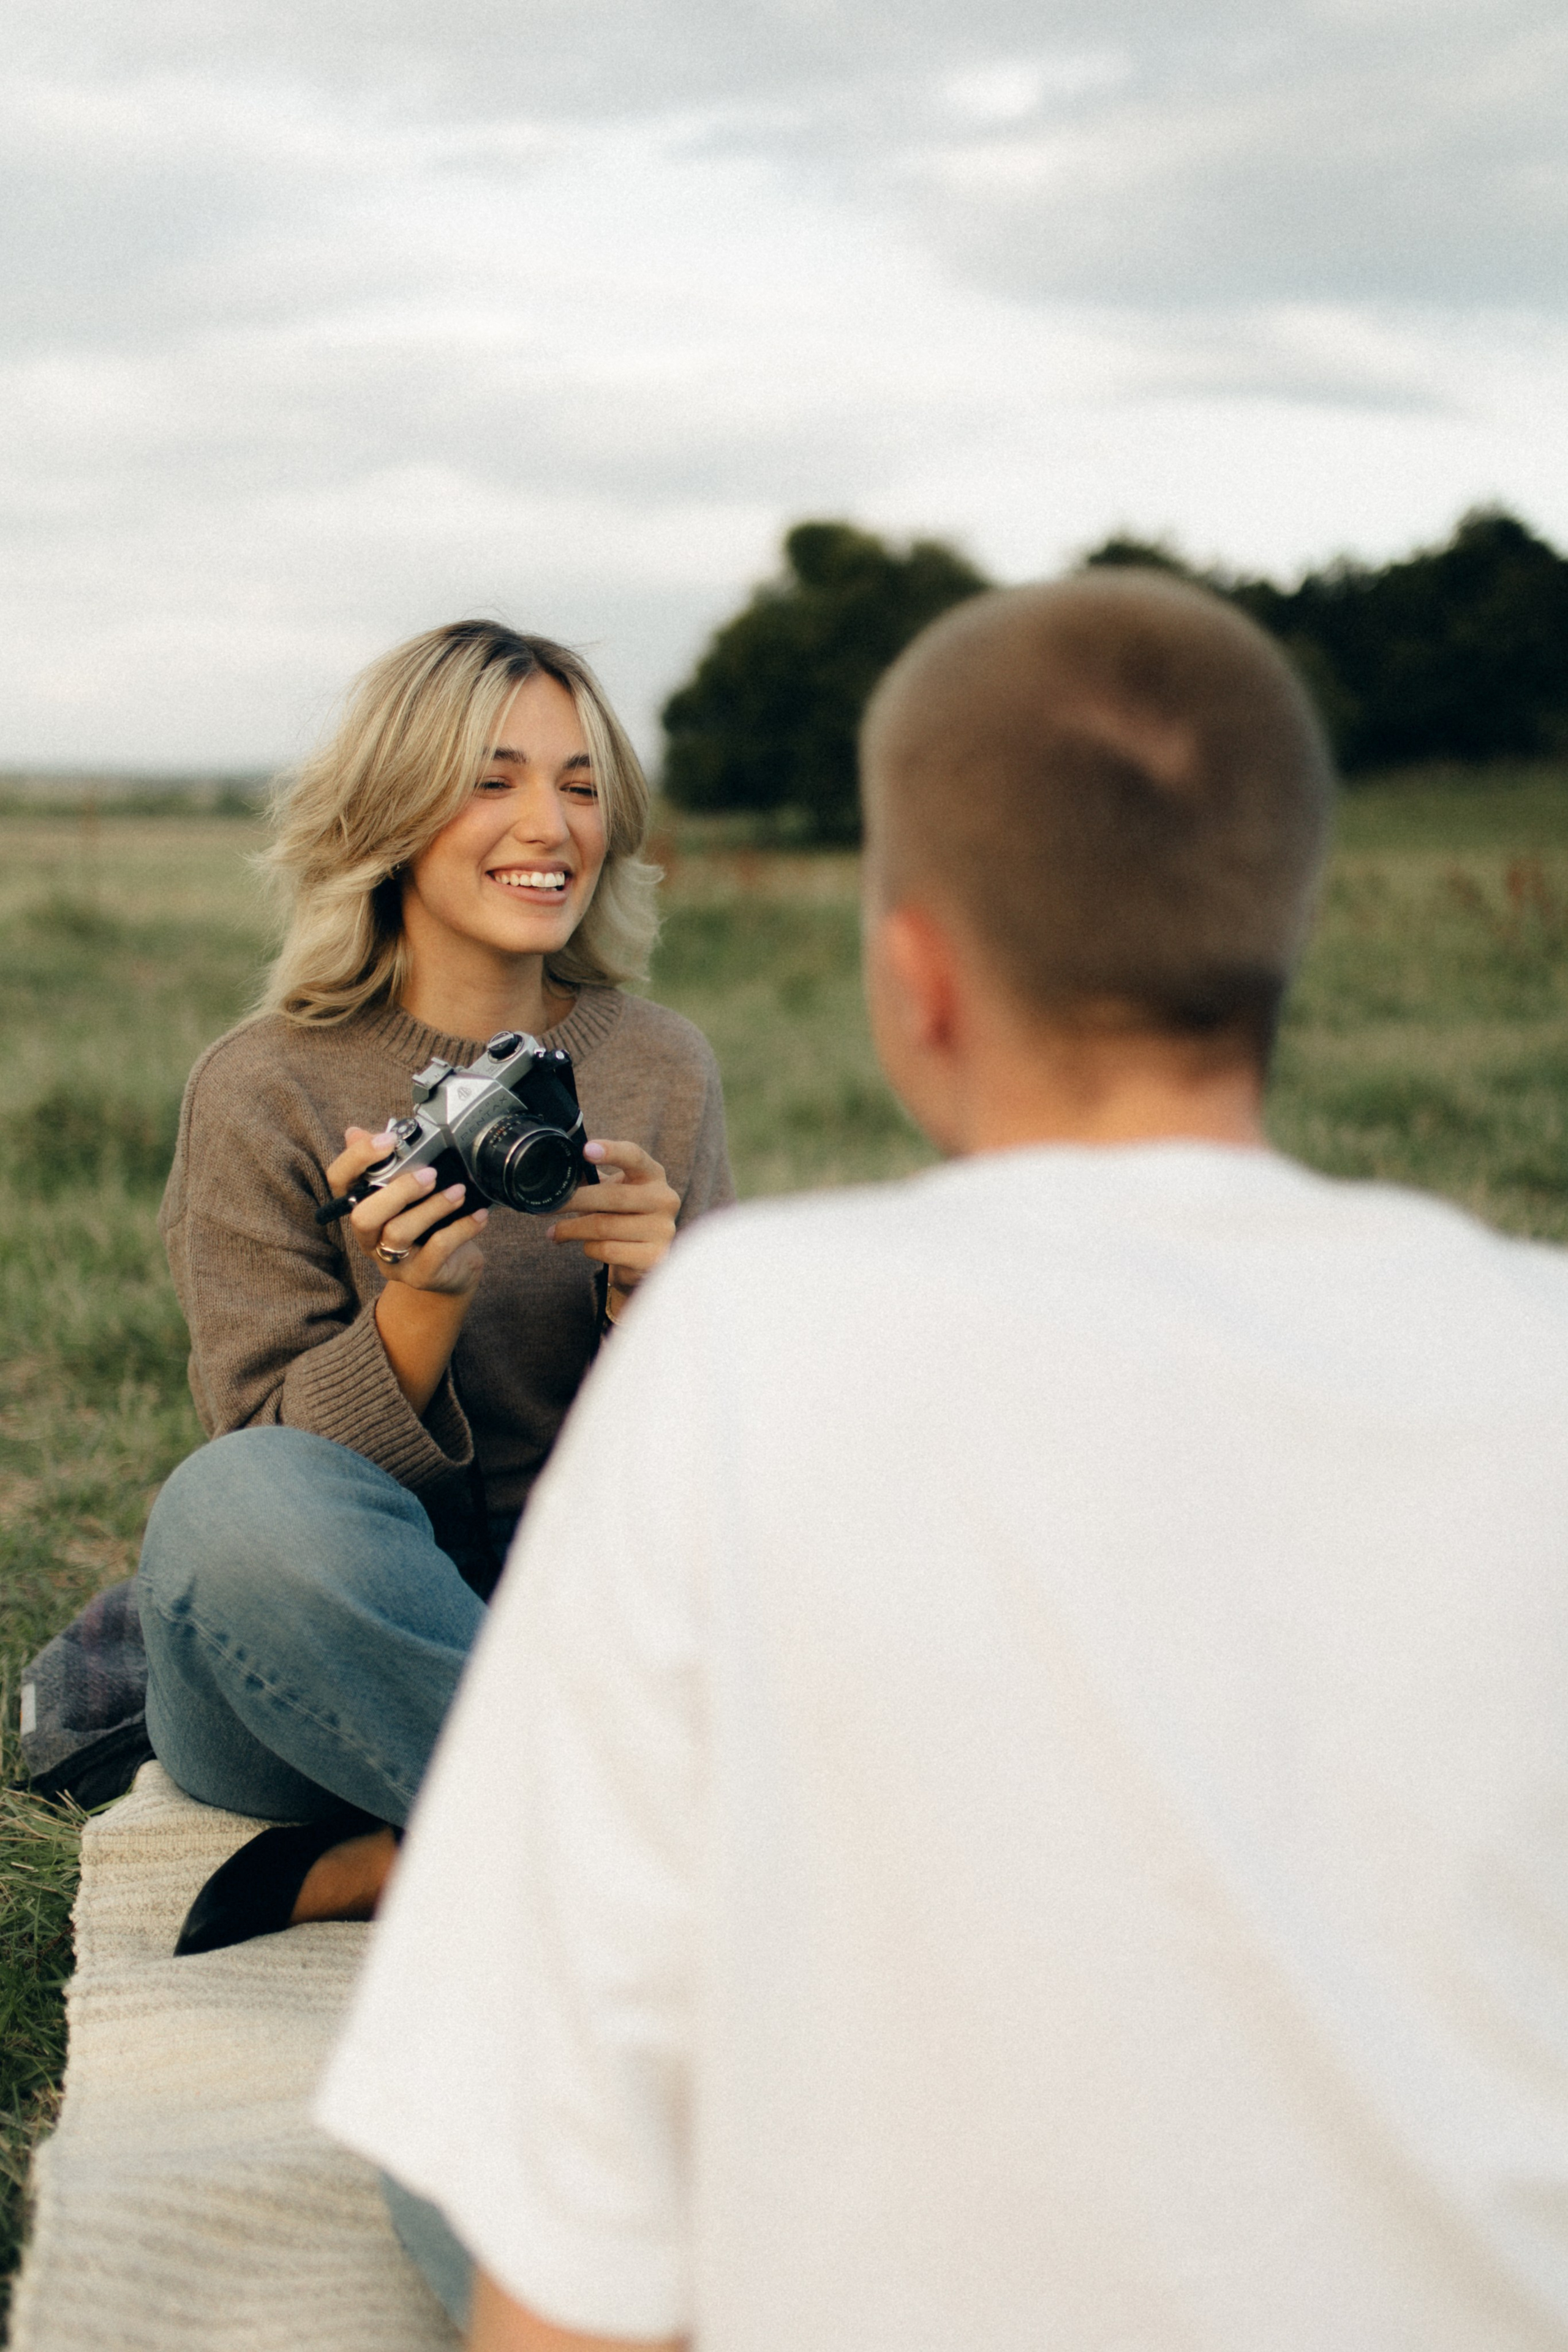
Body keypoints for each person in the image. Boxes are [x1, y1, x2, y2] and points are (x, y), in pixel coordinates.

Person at [321, 571, 1568, 2351]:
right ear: (1284, 929)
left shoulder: (745, 1340)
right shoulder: (1542, 1353)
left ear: (914, 974)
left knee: (464, 2126)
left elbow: (576, 2235)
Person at [137, 619, 731, 1957]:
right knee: (228, 1504)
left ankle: (417, 1858)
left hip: (577, 1616)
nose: (553, 824)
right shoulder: (263, 1083)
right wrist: (416, 1300)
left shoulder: (658, 1065)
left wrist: (657, 1300)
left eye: (582, 785)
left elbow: (703, 1479)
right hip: (316, 1668)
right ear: (392, 813)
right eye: (494, 778)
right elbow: (267, 1480)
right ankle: (680, 1852)